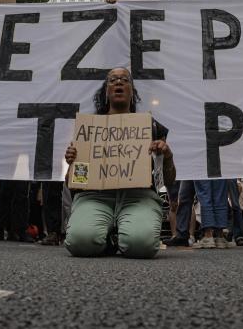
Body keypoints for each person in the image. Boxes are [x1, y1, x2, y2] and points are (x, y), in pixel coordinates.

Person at [63, 67, 175, 259]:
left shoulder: (151, 128)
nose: (118, 82)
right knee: (80, 242)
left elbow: (167, 182)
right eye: (112, 80)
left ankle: (124, 234)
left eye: (125, 79)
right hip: (95, 197)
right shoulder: (89, 129)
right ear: (106, 91)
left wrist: (167, 157)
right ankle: (108, 237)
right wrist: (73, 164)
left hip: (138, 197)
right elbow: (74, 184)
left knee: (142, 245)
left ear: (132, 91)